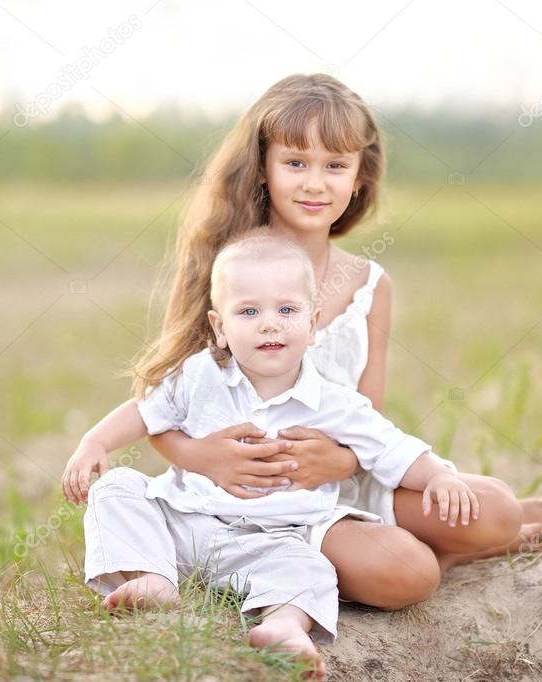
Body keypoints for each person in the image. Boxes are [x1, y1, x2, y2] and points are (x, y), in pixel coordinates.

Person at [62, 72, 542, 611]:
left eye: (335, 166)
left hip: (345, 473)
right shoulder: (227, 271)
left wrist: (337, 463)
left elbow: (369, 413)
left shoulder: (370, 284)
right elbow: (163, 403)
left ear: (360, 178)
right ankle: (395, 556)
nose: (315, 184)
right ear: (262, 168)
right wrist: (204, 458)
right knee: (408, 572)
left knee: (495, 507)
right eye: (295, 163)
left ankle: (461, 542)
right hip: (244, 490)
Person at [72, 234, 481, 676]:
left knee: (311, 568)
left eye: (287, 310)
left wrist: (438, 475)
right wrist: (94, 442)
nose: (270, 324)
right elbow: (145, 410)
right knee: (117, 487)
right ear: (219, 327)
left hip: (274, 542)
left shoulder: (333, 401)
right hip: (184, 525)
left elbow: (391, 446)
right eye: (249, 311)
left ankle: (284, 626)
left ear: (313, 322)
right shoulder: (200, 376)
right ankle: (150, 577)